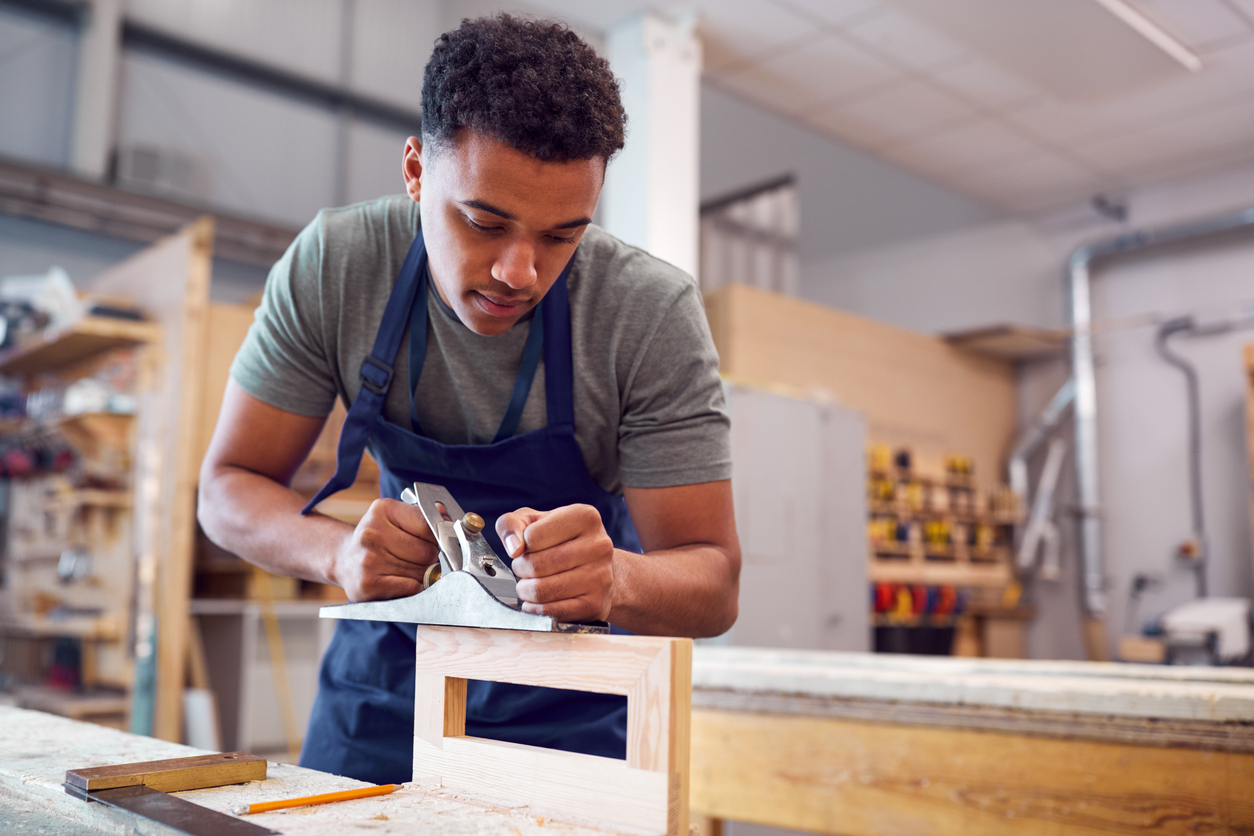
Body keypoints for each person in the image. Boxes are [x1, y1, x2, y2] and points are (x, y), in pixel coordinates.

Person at [198, 13, 740, 784]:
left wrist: (616, 578)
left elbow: (714, 579)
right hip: (382, 696)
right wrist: (338, 551)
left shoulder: (647, 315)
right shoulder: (339, 266)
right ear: (416, 171)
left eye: (563, 235)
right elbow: (225, 489)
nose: (520, 271)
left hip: (574, 710)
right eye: (485, 222)